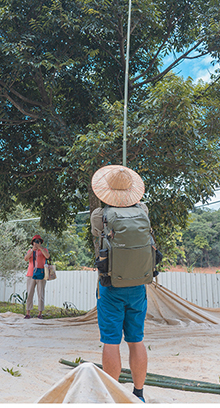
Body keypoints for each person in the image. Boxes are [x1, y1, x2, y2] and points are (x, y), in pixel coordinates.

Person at [90, 164, 150, 402]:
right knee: (136, 340)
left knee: (111, 342)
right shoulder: (143, 210)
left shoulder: (99, 215)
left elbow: (98, 236)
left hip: (110, 285)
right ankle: (139, 394)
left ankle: (112, 396)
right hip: (138, 285)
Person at [24, 234, 50, 319]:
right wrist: (33, 250)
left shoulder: (44, 250)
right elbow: (26, 259)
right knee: (30, 293)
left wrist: (40, 248)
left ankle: (40, 313)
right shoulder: (30, 251)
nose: (37, 243)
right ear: (32, 243)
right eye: (35, 241)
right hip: (31, 274)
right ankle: (28, 312)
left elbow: (47, 256)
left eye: (38, 241)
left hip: (41, 274)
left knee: (40, 294)